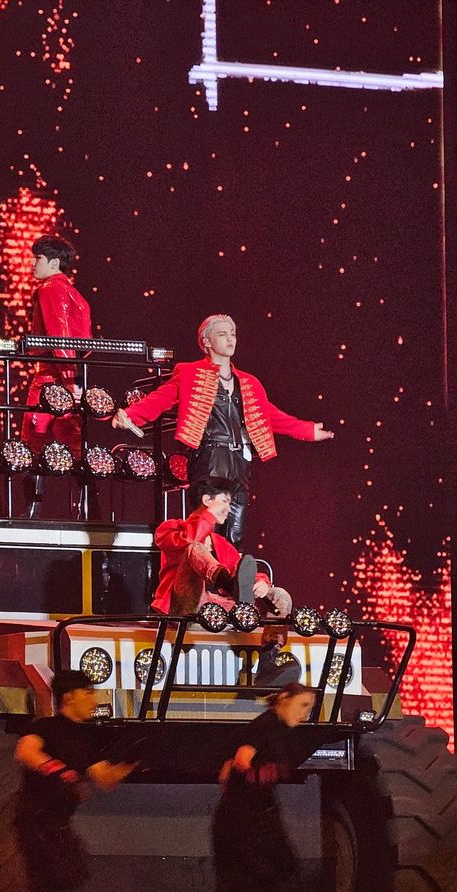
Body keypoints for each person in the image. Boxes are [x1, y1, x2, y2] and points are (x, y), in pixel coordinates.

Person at [112, 313, 333, 546]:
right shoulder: (190, 373)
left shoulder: (249, 382)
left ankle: (229, 577)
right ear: (207, 342)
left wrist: (307, 431)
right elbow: (161, 399)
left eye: (233, 334)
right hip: (210, 456)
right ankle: (205, 575)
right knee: (207, 527)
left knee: (234, 532)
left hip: (239, 459)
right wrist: (131, 414)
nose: (230, 339)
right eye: (223, 334)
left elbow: (270, 415)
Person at [14, 670, 136, 892]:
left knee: (72, 876)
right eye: (88, 693)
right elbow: (26, 751)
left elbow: (104, 779)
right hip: (34, 824)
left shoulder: (84, 739)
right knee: (52, 884)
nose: (94, 701)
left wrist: (134, 761)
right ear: (69, 697)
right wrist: (60, 771)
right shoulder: (47, 726)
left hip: (59, 826)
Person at [212, 683, 316, 892]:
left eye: (309, 708)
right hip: (243, 815)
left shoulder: (283, 733)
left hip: (256, 811)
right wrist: (238, 764)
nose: (305, 714)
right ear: (283, 698)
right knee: (274, 872)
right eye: (303, 705)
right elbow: (242, 758)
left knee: (278, 871)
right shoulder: (265, 726)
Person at [20, 235, 93, 518]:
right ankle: (85, 513)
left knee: (32, 447)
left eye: (37, 258)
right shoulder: (76, 294)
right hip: (69, 376)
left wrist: (66, 380)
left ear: (53, 262)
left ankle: (30, 514)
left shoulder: (50, 289)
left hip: (52, 378)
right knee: (74, 448)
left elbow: (59, 336)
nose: (32, 264)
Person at [152, 477, 292, 617]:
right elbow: (190, 540)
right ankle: (229, 585)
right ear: (207, 500)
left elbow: (242, 572)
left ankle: (273, 639)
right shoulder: (170, 529)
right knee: (195, 548)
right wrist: (208, 516)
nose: (229, 509)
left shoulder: (222, 544)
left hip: (217, 608)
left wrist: (260, 582)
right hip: (185, 606)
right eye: (225, 501)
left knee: (280, 595)